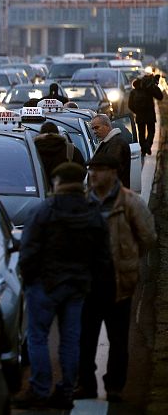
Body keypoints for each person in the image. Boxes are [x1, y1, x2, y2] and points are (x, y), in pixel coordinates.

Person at [13, 163, 111, 410]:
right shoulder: (93, 212)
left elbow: (28, 249)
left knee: (37, 338)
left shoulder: (44, 210)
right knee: (70, 340)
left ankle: (39, 388)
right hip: (77, 285)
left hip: (44, 283)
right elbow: (103, 255)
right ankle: (67, 389)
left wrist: (30, 278)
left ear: (57, 182)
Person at [75, 153, 156, 402]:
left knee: (118, 338)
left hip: (118, 281)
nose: (93, 174)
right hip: (88, 282)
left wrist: (128, 258)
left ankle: (114, 386)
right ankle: (86, 383)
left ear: (113, 172)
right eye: (91, 169)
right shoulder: (83, 202)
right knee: (85, 338)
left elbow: (147, 237)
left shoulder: (130, 202)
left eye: (99, 169)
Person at [34, 121, 85, 186]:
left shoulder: (30, 150)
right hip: (65, 191)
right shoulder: (71, 150)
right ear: (58, 133)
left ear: (40, 134)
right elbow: (82, 172)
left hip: (36, 191)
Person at [90, 114, 131, 188]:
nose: (94, 132)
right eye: (92, 129)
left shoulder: (116, 144)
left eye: (96, 128)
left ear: (107, 126)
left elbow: (110, 170)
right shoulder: (110, 142)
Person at [128, 74, 163, 155]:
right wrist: (154, 86)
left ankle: (143, 149)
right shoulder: (149, 90)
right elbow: (160, 97)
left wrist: (137, 112)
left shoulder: (134, 92)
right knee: (151, 131)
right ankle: (148, 145)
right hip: (150, 115)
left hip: (140, 116)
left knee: (141, 133)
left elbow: (130, 105)